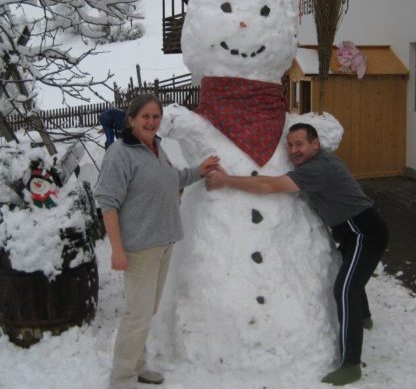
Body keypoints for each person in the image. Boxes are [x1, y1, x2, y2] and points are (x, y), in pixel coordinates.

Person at [206, 122, 389, 386]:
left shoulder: (319, 169)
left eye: (300, 144)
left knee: (345, 289)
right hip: (352, 231)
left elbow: (269, 185)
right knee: (349, 272)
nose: (294, 150)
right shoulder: (320, 164)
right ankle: (364, 317)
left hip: (364, 232)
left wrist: (226, 180)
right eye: (290, 145)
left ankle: (351, 364)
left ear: (316, 144)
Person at [94, 94, 219, 389]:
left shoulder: (156, 148)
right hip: (139, 248)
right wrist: (117, 250)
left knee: (146, 311)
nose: (151, 122)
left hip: (163, 244)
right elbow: (107, 202)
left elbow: (172, 179)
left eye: (156, 116)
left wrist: (198, 171)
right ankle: (122, 379)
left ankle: (137, 366)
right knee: (136, 315)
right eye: (145, 116)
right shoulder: (120, 153)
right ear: (132, 119)